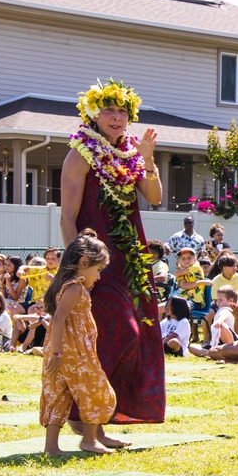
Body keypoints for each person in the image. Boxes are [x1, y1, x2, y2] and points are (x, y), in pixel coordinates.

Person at [58, 78, 165, 428]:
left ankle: (107, 414)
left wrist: (147, 161)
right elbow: (67, 215)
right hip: (94, 260)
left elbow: (154, 196)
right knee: (114, 332)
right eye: (108, 110)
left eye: (122, 111)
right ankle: (85, 416)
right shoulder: (80, 154)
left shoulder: (134, 151)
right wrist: (76, 269)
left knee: (138, 334)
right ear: (94, 114)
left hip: (129, 256)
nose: (116, 117)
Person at [40, 229, 119, 455]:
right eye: (98, 270)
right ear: (84, 262)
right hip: (73, 352)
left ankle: (51, 447)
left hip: (63, 352)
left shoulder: (71, 286)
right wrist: (57, 354)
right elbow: (58, 319)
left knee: (57, 393)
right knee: (96, 389)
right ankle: (89, 440)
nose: (99, 276)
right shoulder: (74, 288)